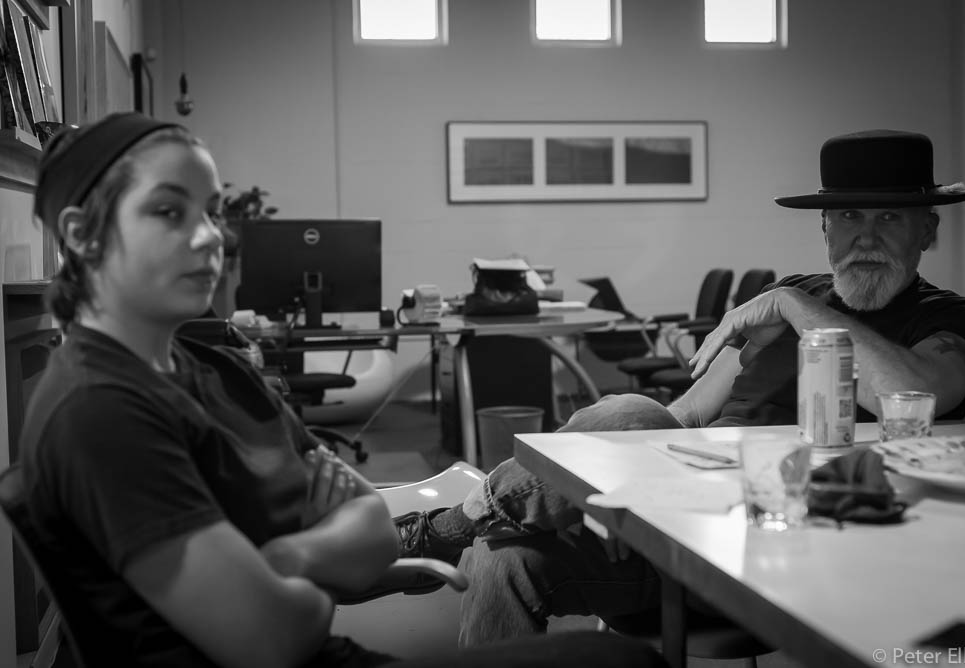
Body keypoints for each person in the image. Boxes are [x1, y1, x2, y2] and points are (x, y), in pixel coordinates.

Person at [17, 112, 666, 668]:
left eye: (212, 212)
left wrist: (282, 558)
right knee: (619, 661)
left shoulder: (216, 370)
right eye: (168, 211)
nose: (212, 236)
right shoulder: (101, 412)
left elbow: (374, 535)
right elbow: (273, 638)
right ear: (81, 234)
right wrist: (321, 553)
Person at [393, 129, 965, 645]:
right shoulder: (788, 296)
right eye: (848, 217)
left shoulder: (949, 319)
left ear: (927, 230)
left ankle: (440, 532)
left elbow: (920, 394)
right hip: (684, 519)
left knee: (625, 415)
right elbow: (685, 417)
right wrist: (615, 498)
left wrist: (795, 306)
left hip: (801, 539)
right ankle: (466, 529)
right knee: (503, 555)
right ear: (825, 228)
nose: (866, 236)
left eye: (889, 217)